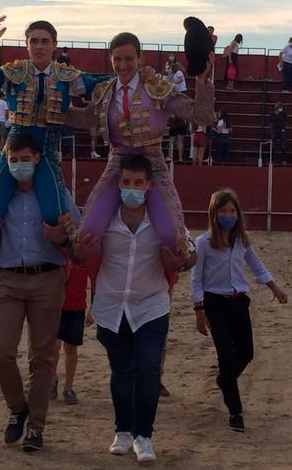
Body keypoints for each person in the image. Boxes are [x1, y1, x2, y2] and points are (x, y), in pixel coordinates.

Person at [0, 132, 93, 453]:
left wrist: (62, 240)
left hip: (47, 278)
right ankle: (17, 408)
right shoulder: (0, 193)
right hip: (8, 278)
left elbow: (78, 251)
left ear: (38, 158)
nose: (20, 165)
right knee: (0, 351)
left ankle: (36, 426)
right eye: (14, 160)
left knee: (42, 357)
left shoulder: (58, 195)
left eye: (26, 159)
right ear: (6, 161)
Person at [77, 155, 196, 463]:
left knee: (148, 369)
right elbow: (79, 250)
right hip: (111, 304)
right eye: (127, 182)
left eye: (138, 183)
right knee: (122, 371)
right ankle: (123, 431)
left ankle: (144, 435)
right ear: (118, 185)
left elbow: (189, 250)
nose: (132, 188)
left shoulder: (162, 220)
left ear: (149, 185)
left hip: (151, 305)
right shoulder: (104, 221)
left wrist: (180, 263)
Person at [73, 32, 214, 272]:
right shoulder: (105, 91)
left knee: (173, 236)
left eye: (129, 59)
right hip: (118, 162)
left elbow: (200, 115)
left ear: (140, 58)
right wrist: (47, 109)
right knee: (89, 232)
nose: (123, 65)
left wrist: (202, 80)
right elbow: (86, 118)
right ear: (110, 60)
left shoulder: (155, 86)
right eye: (117, 59)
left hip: (153, 163)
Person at [0, 17, 104, 229]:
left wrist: (139, 76)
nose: (39, 46)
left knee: (54, 214)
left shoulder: (68, 76)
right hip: (13, 151)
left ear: (54, 45)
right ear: (27, 44)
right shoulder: (12, 72)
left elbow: (104, 84)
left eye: (45, 41)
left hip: (47, 151)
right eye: (34, 41)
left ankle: (58, 259)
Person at [191, 188, 288, 433]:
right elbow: (196, 278)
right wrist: (199, 310)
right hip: (215, 303)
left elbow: (256, 265)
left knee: (246, 352)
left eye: (232, 210)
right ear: (214, 214)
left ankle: (225, 380)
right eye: (223, 210)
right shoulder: (203, 242)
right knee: (225, 354)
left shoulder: (241, 239)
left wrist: (275, 289)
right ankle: (235, 411)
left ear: (238, 213)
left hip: (239, 302)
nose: (228, 215)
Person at [51, 262, 88, 405]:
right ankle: (52, 379)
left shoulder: (84, 256)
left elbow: (95, 277)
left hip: (77, 306)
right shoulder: (59, 255)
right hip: (56, 305)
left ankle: (69, 387)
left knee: (71, 347)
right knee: (54, 346)